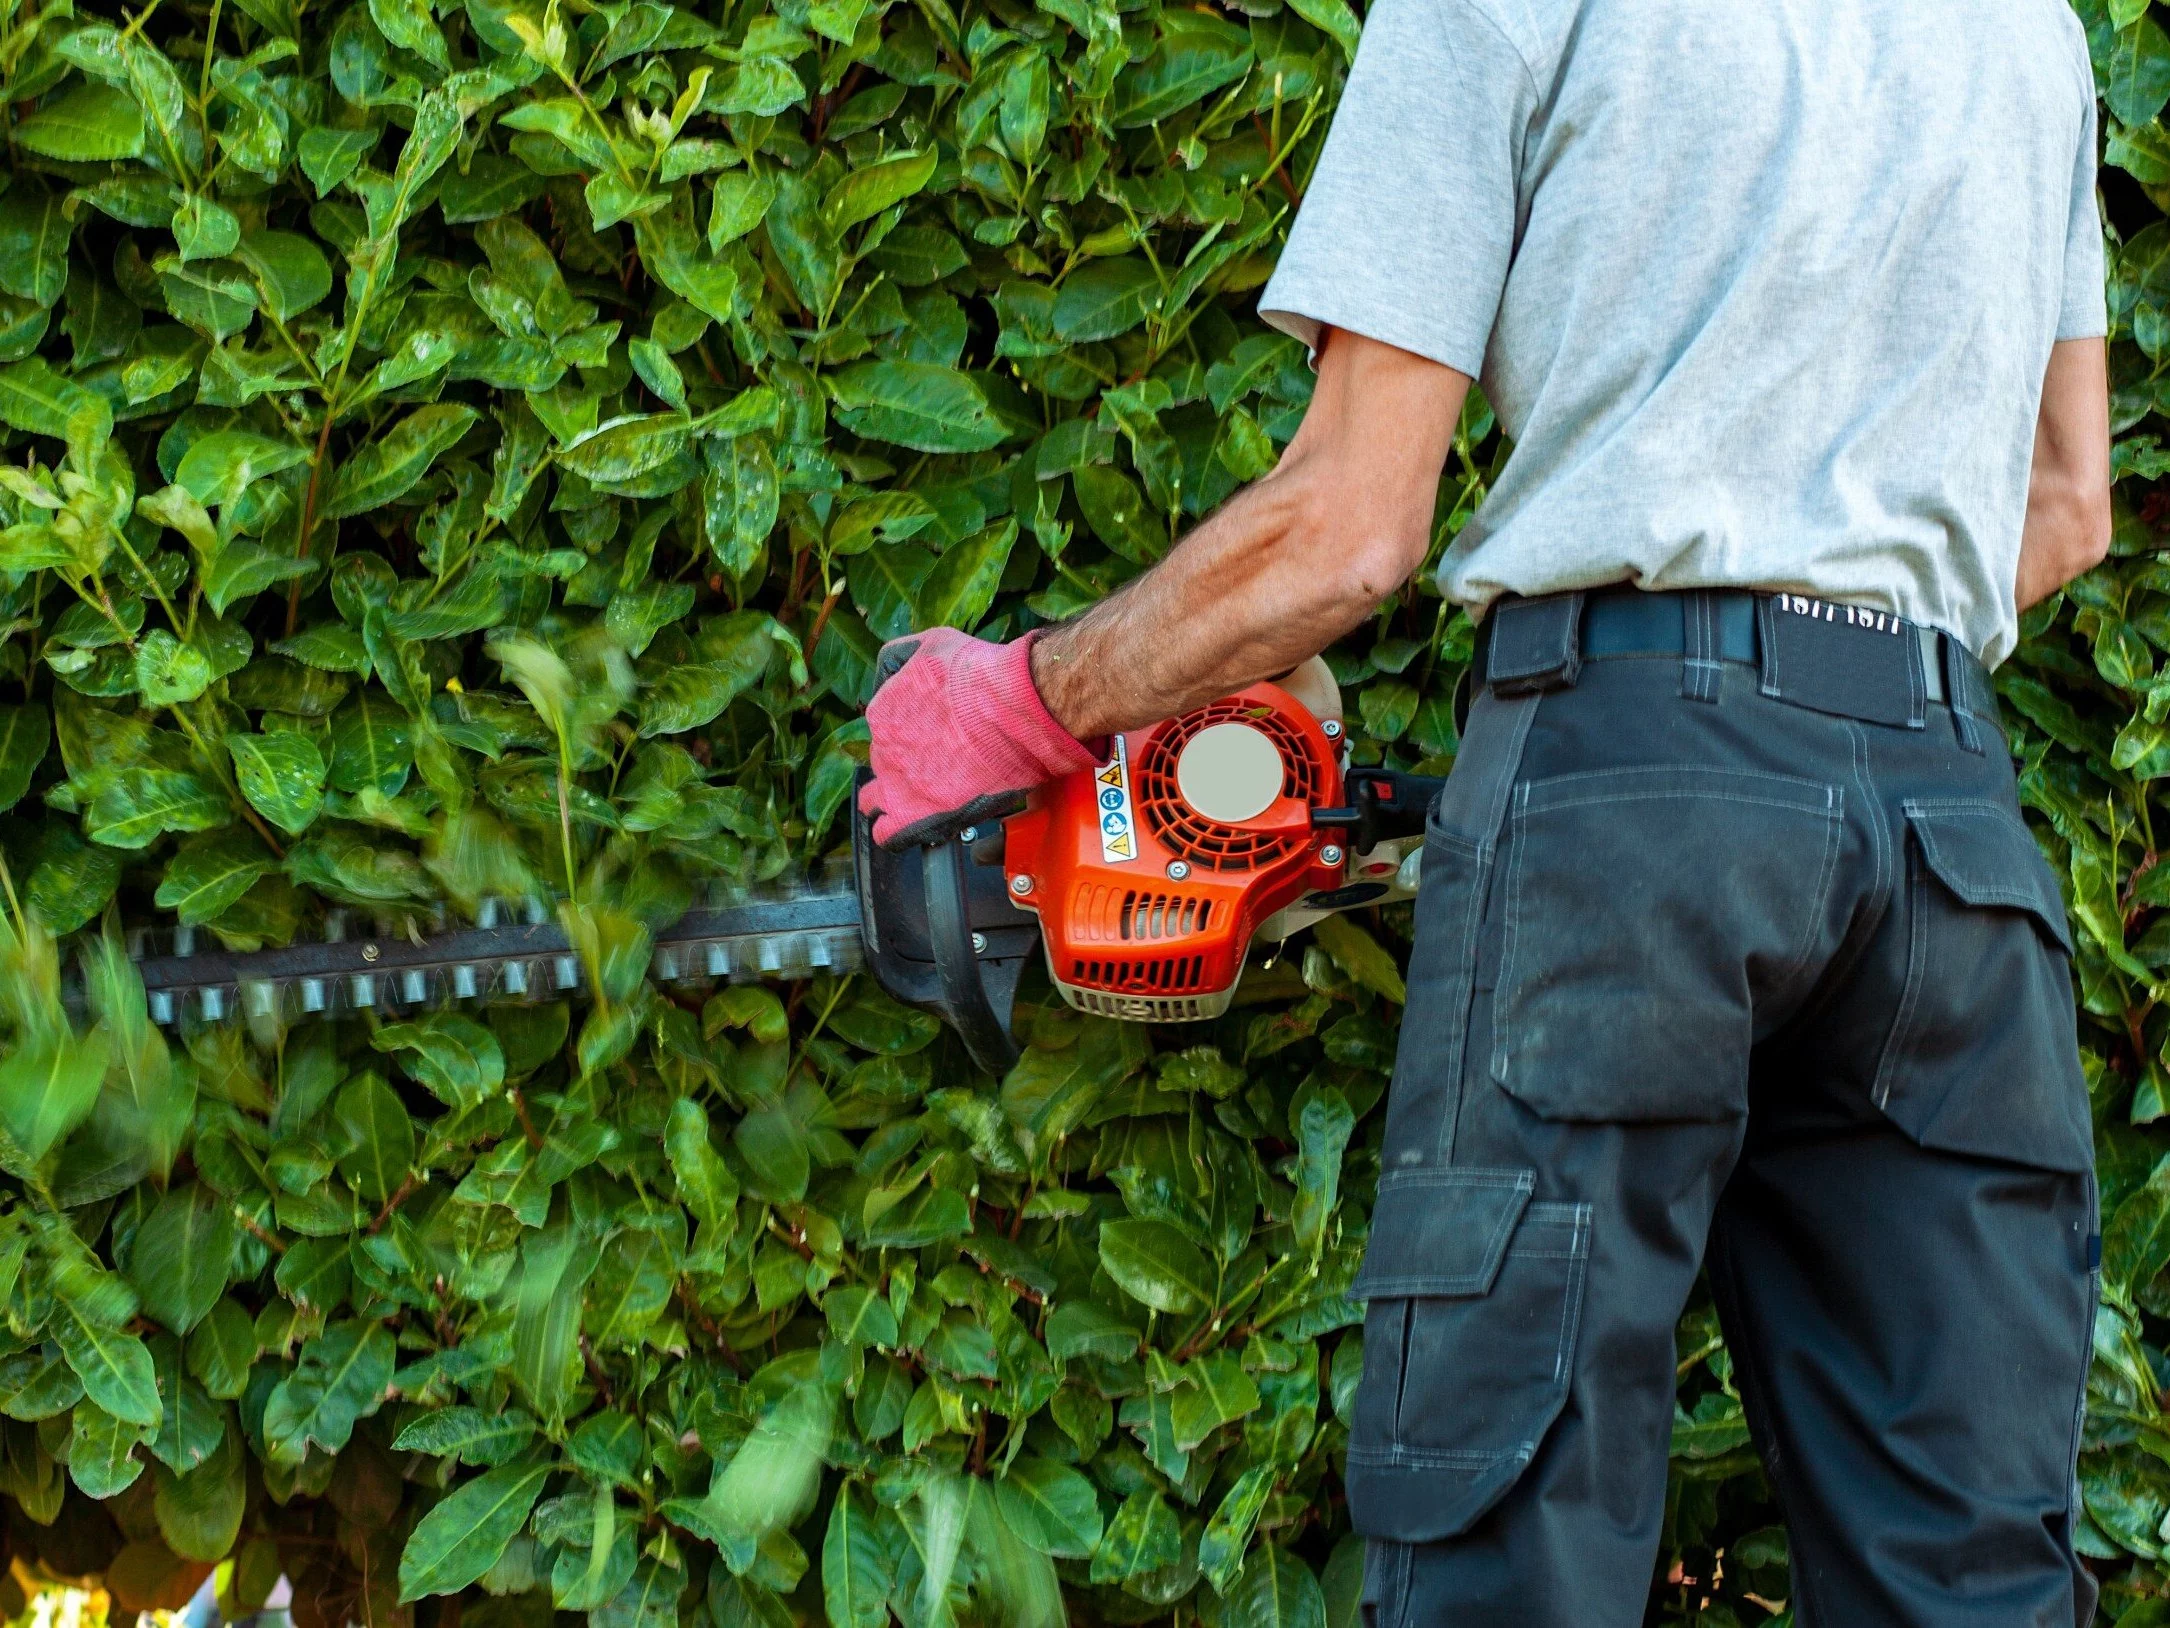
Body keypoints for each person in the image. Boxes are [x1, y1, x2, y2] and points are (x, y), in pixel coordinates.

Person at [857, 0, 2115, 1618]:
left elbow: (1348, 530)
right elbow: (2066, 504)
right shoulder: (2028, 31)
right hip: (1950, 830)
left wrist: (1026, 703)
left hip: (1625, 798)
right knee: (1968, 1574)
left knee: (1506, 1550)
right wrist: (1802, 691)